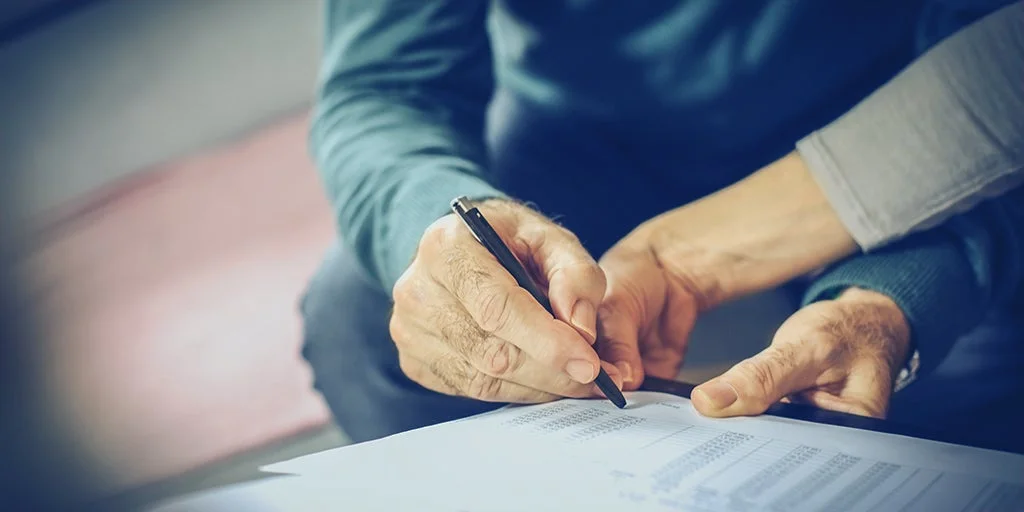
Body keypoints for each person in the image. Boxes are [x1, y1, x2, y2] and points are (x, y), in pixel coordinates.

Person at [299, 0, 1024, 448]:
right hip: (587, 139)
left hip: (916, 120)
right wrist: (448, 234)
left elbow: (1002, 76)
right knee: (362, 319)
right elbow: (381, 87)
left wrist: (893, 295)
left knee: (923, 429)